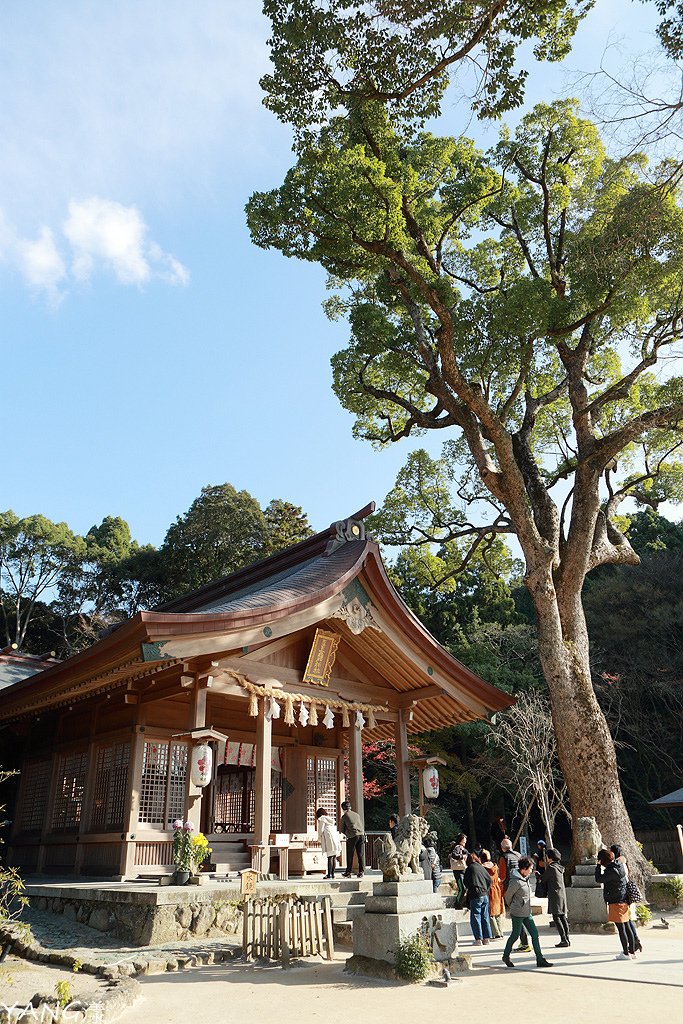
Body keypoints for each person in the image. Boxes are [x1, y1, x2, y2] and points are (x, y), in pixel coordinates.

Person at [502, 856, 553, 968]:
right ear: (523, 869)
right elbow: (507, 896)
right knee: (515, 936)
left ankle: (540, 959)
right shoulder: (515, 881)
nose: (531, 871)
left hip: (527, 912)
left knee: (535, 934)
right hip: (518, 913)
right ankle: (506, 956)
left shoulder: (525, 878)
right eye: (530, 868)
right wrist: (514, 906)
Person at [595, 848, 635, 959]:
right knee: (627, 926)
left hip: (616, 900)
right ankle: (632, 952)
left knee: (621, 929)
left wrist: (598, 866)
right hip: (624, 899)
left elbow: (598, 879)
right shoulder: (619, 865)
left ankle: (626, 954)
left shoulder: (610, 871)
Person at [499, 838, 531, 952]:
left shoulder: (504, 858)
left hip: (512, 888)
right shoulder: (518, 855)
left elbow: (502, 876)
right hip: (523, 887)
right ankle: (526, 942)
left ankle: (525, 943)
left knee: (517, 917)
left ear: (502, 848)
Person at [610, 844, 643, 954]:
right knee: (629, 919)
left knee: (627, 921)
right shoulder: (623, 862)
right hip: (627, 893)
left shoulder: (618, 863)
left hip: (623, 894)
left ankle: (634, 942)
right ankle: (635, 942)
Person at [463, 852, 493, 945]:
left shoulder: (469, 869)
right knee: (485, 916)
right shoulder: (481, 867)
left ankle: (478, 939)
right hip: (485, 894)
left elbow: (466, 882)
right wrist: (486, 889)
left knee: (476, 916)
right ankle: (487, 938)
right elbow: (489, 880)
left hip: (475, 895)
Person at [544, 848, 570, 947]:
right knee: (563, 916)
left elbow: (544, 879)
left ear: (549, 858)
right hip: (561, 894)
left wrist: (538, 875)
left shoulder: (551, 868)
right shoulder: (560, 867)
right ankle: (567, 938)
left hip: (555, 895)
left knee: (556, 917)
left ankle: (563, 939)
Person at [480, 848, 505, 938]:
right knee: (498, 912)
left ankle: (495, 933)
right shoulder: (495, 866)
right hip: (497, 889)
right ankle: (500, 932)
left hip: (489, 889)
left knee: (490, 913)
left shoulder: (482, 867)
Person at [340, 800, 364, 878]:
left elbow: (342, 829)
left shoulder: (344, 816)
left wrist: (347, 833)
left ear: (343, 808)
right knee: (360, 854)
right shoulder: (357, 815)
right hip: (361, 834)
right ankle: (361, 871)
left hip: (352, 836)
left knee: (350, 854)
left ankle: (348, 872)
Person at [315, 808, 341, 879]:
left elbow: (320, 830)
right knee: (334, 857)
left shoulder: (322, 818)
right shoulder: (330, 819)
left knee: (330, 857)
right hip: (335, 838)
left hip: (329, 838)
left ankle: (329, 874)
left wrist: (319, 838)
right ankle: (332, 874)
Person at [449, 833, 468, 906]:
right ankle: (457, 904)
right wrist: (462, 857)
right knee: (462, 888)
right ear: (460, 840)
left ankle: (459, 903)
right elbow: (454, 855)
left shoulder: (461, 848)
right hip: (458, 871)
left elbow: (467, 853)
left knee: (463, 888)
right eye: (464, 840)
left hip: (461, 869)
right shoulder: (457, 847)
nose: (465, 842)